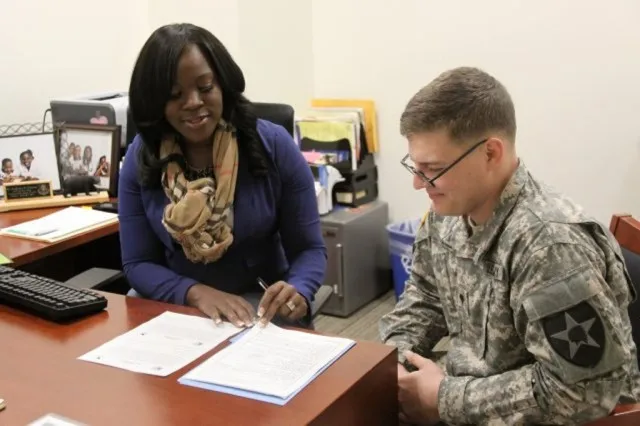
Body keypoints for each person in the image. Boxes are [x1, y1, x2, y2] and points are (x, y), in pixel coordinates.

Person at [379, 66, 640, 425]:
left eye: (432, 168)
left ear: (490, 153)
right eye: (415, 166)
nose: (418, 184)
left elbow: (584, 394)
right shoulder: (448, 212)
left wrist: (443, 399)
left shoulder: (549, 247)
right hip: (471, 398)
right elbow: (426, 296)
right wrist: (392, 362)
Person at [119, 23, 326, 329]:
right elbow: (137, 263)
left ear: (223, 85)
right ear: (155, 101)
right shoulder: (141, 157)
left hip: (260, 305)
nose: (193, 102)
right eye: (175, 94)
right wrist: (195, 293)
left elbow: (309, 249)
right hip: (176, 302)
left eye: (204, 88)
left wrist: (300, 290)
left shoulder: (273, 145)